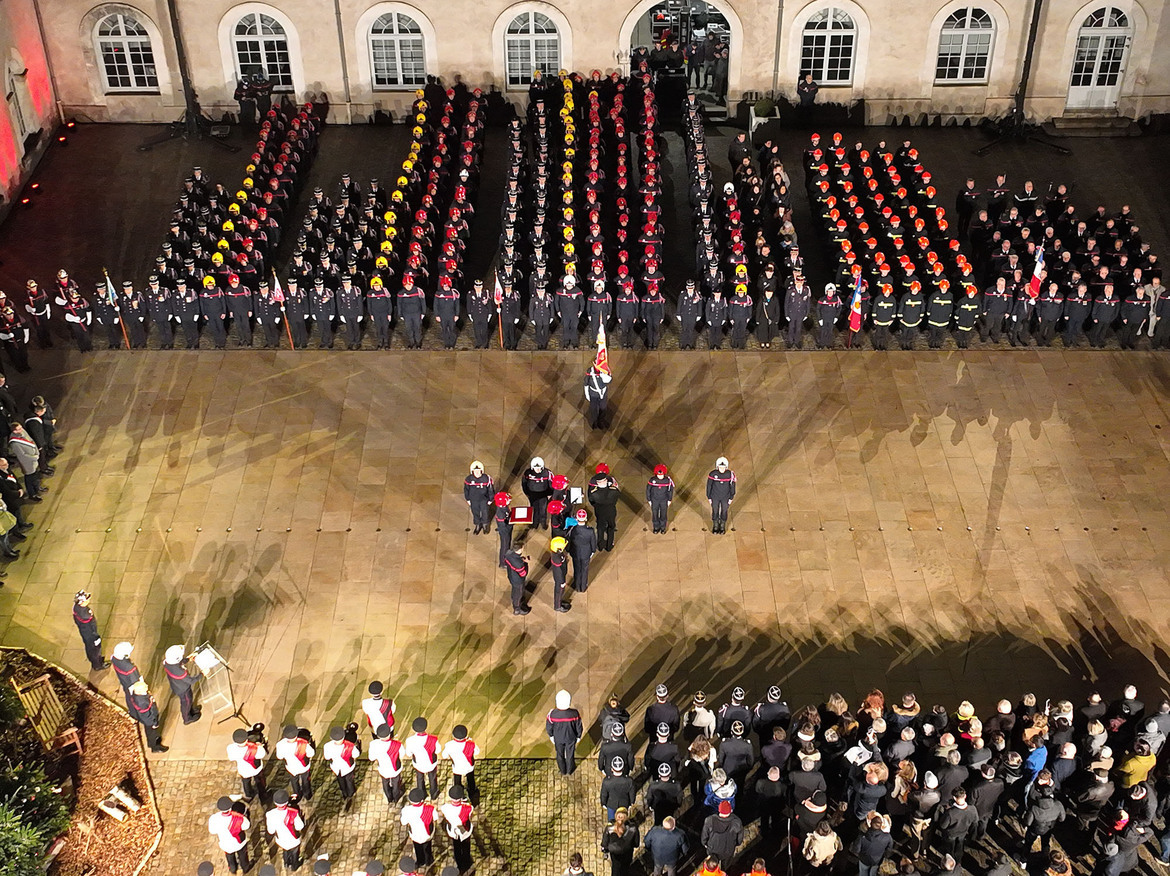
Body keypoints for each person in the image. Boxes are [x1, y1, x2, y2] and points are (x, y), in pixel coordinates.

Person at [208, 796, 251, 874]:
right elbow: (246, 826)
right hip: (239, 842)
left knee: (229, 857)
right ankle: (246, 867)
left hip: (225, 844)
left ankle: (233, 869)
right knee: (243, 855)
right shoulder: (239, 818)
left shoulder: (213, 818)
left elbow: (212, 831)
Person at [162, 644, 201, 724]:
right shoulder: (179, 671)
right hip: (183, 689)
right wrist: (202, 674)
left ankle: (191, 710)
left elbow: (178, 663)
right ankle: (187, 718)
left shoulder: (168, 663)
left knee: (189, 700)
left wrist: (187, 659)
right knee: (186, 702)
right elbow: (191, 681)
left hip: (178, 686)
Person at [547, 689, 583, 775]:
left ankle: (562, 770)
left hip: (558, 738)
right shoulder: (574, 713)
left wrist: (551, 736)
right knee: (570, 755)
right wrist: (578, 736)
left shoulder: (552, 714)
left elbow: (549, 727)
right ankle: (570, 770)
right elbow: (579, 726)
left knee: (560, 754)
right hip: (571, 737)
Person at [275, 724, 315, 801]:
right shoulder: (303, 743)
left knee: (294, 781)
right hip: (303, 767)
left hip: (291, 767)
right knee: (305, 781)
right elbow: (311, 754)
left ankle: (297, 795)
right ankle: (307, 795)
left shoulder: (280, 744)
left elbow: (279, 757)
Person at [266, 789, 304, 871]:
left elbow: (271, 831)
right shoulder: (294, 813)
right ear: (287, 802)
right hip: (293, 840)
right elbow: (300, 826)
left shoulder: (270, 814)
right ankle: (294, 866)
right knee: (294, 853)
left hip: (281, 840)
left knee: (285, 851)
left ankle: (286, 863)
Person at [227, 725, 267, 801]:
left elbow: (231, 758)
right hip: (256, 769)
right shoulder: (256, 748)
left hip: (243, 770)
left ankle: (249, 794)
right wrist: (260, 746)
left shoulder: (231, 748)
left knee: (246, 783)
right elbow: (262, 754)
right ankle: (262, 794)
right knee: (259, 781)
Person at [404, 716, 441, 798]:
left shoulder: (410, 741)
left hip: (418, 764)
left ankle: (422, 794)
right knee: (432, 778)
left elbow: (409, 754)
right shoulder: (433, 739)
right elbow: (438, 750)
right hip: (431, 764)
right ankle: (434, 794)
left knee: (419, 779)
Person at [72, 590, 109, 671]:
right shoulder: (85, 614)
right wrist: (95, 636)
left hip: (85, 632)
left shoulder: (76, 607)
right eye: (87, 599)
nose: (89, 600)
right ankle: (97, 664)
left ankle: (95, 660)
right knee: (95, 649)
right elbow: (90, 624)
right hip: (90, 634)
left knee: (90, 647)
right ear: (82, 602)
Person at [442, 785, 475, 873]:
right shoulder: (468, 807)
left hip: (453, 831)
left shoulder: (445, 808)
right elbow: (470, 811)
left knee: (456, 847)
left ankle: (459, 864)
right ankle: (467, 863)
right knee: (466, 847)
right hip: (465, 831)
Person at [324, 724, 361, 803]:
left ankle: (344, 794)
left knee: (340, 781)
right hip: (348, 767)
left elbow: (327, 757)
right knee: (349, 781)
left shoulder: (327, 746)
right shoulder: (350, 745)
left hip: (336, 768)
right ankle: (350, 794)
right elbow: (356, 755)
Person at [128, 679, 168, 752]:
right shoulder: (142, 703)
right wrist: (154, 723)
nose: (146, 686)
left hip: (148, 720)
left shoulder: (139, 696)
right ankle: (155, 747)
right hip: (150, 721)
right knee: (152, 733)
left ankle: (151, 743)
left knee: (150, 732)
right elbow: (147, 716)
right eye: (144, 688)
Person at [701, 800, 743, 869]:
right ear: (730, 811)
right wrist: (735, 844)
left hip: (713, 849)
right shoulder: (736, 822)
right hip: (728, 850)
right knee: (726, 866)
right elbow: (739, 840)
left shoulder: (710, 820)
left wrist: (704, 843)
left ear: (719, 810)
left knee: (712, 866)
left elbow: (704, 836)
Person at [402, 788, 438, 867]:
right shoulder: (430, 808)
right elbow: (435, 818)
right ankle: (429, 860)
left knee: (417, 848)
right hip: (427, 833)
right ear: (422, 800)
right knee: (428, 847)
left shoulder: (406, 810)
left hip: (415, 834)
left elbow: (403, 822)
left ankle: (420, 861)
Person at [588, 464, 620, 551]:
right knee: (611, 527)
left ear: (597, 483)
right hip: (611, 511)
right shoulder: (613, 491)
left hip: (599, 512)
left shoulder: (594, 493)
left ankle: (600, 545)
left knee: (600, 528)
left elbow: (591, 500)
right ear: (606, 481)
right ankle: (609, 545)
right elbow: (616, 497)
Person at [443, 724, 481, 797]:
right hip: (469, 767)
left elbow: (445, 755)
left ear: (453, 735)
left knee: (457, 781)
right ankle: (472, 791)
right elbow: (477, 752)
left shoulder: (449, 745)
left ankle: (459, 793)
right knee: (471, 779)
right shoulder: (470, 744)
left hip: (457, 768)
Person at [602, 808, 639, 876]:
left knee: (615, 869)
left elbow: (605, 843)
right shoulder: (633, 828)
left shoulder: (609, 828)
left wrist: (606, 850)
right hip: (627, 853)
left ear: (616, 816)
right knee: (625, 869)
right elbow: (636, 844)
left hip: (615, 854)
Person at [569, 509, 597, 592]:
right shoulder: (590, 531)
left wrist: (570, 551)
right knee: (584, 570)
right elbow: (593, 543)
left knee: (577, 569)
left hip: (575, 553)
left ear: (577, 519)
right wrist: (593, 551)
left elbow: (570, 542)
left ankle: (577, 586)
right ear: (585, 519)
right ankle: (583, 587)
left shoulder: (573, 530)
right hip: (586, 553)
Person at [706, 457, 736, 534]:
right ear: (717, 466)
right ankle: (715, 526)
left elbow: (732, 486)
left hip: (725, 497)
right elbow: (709, 486)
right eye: (720, 467)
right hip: (715, 496)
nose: (722, 469)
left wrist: (731, 497)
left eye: (723, 467)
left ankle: (722, 526)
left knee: (724, 511)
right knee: (715, 510)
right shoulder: (713, 474)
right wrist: (709, 497)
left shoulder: (729, 475)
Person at [522, 457, 553, 529]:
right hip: (533, 495)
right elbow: (524, 483)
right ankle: (534, 524)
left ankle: (543, 524)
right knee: (534, 510)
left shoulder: (547, 473)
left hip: (543, 495)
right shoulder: (527, 473)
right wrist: (526, 493)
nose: (538, 470)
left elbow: (551, 484)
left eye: (539, 468)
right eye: (536, 468)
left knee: (543, 510)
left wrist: (549, 494)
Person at [646, 464, 674, 534]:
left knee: (663, 514)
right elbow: (648, 490)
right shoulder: (652, 480)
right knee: (655, 514)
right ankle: (656, 527)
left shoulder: (667, 481)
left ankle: (663, 528)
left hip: (664, 500)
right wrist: (649, 499)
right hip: (654, 500)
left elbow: (670, 490)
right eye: (659, 475)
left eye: (661, 475)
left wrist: (669, 500)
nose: (660, 476)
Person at [503, 546, 530, 615]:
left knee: (515, 590)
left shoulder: (508, 553)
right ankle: (517, 608)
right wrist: (526, 563)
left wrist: (521, 559)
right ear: (519, 550)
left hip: (511, 576)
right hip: (518, 580)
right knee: (518, 593)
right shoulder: (519, 564)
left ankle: (515, 600)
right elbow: (523, 573)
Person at [585, 363, 612, 430]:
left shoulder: (605, 371)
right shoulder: (590, 371)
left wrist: (603, 375)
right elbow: (586, 383)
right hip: (593, 394)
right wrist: (587, 394)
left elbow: (609, 380)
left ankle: (600, 421)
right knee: (593, 409)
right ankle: (595, 422)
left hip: (603, 394)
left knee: (603, 408)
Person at [550, 536, 570, 612]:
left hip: (561, 575)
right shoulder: (557, 559)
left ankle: (559, 602)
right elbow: (559, 571)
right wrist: (562, 581)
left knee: (560, 591)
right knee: (559, 591)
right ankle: (557, 606)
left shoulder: (557, 554)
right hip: (559, 579)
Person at [494, 491, 513, 568]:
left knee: (507, 544)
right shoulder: (500, 514)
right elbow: (504, 527)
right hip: (504, 531)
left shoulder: (503, 508)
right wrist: (512, 522)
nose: (510, 500)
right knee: (504, 546)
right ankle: (503, 563)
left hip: (506, 529)